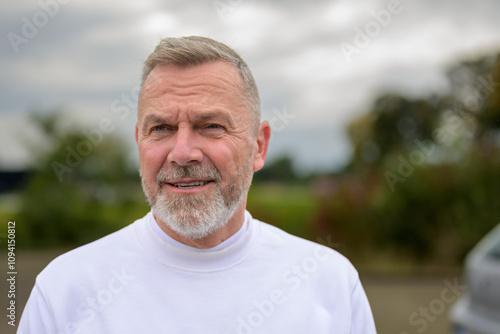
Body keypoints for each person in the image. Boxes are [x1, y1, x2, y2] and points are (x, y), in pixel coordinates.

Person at [18, 36, 377, 333]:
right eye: (161, 128)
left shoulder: (330, 284)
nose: (183, 153)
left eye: (211, 126)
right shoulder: (64, 292)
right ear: (139, 141)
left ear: (259, 146)